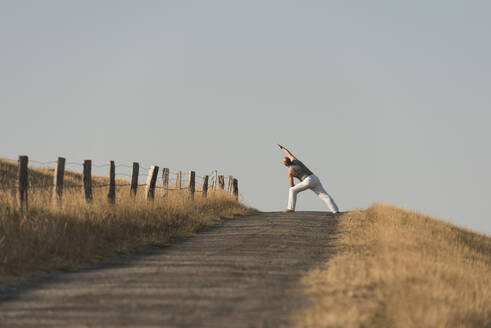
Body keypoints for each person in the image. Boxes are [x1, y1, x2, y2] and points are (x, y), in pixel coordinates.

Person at [278, 144, 339, 214]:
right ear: (290, 160)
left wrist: (294, 185)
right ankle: (335, 211)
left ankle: (290, 208)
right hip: (314, 178)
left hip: (307, 181)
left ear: (285, 164)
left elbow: (292, 185)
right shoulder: (296, 161)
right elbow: (289, 153)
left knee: (292, 190)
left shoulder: (290, 172)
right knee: (324, 196)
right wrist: (282, 148)